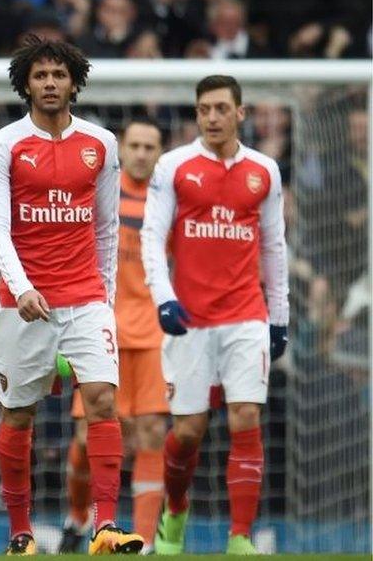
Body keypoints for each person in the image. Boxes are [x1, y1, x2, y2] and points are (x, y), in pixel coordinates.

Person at [0, 37, 144, 556]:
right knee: (19, 415)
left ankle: (106, 527)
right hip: (22, 302)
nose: (49, 84)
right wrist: (23, 287)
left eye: (58, 75)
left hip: (86, 297)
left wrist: (107, 298)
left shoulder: (101, 144)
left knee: (101, 401)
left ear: (74, 81)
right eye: (40, 76)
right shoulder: (3, 145)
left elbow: (105, 228)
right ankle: (20, 533)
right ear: (25, 84)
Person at [141, 75, 289, 555]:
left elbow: (273, 247)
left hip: (247, 314)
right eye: (204, 109)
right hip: (189, 318)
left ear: (240, 113)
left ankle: (240, 536)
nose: (212, 117)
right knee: (188, 431)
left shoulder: (264, 170)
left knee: (246, 416)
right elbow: (151, 236)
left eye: (221, 108)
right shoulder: (174, 165)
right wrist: (163, 297)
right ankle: (175, 512)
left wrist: (279, 316)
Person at [61, 117, 167, 554]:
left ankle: (142, 541)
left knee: (152, 433)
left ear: (160, 153)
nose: (142, 153)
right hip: (100, 327)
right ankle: (78, 518)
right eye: (135, 145)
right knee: (89, 438)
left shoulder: (168, 201)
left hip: (156, 335)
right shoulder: (100, 192)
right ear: (122, 149)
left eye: (150, 146)